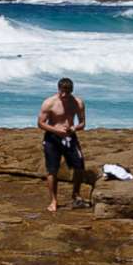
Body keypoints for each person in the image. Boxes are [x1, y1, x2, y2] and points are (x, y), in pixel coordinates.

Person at [39, 76, 89, 212]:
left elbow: (83, 123)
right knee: (52, 170)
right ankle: (53, 201)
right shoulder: (49, 103)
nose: (65, 94)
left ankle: (76, 194)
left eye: (68, 92)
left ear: (72, 90)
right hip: (52, 138)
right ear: (58, 89)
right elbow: (41, 123)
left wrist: (73, 128)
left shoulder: (78, 102)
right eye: (62, 91)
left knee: (79, 166)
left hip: (70, 136)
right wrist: (56, 130)